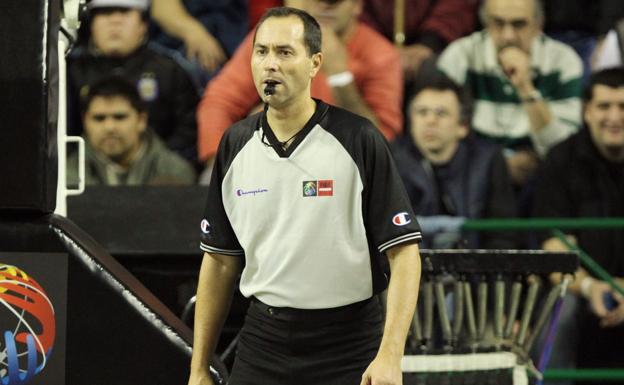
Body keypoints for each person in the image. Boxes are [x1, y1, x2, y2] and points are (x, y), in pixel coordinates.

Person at [188, 7, 422, 385]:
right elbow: (218, 262)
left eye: (284, 52)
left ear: (315, 63)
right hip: (264, 338)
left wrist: (390, 356)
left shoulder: (358, 139)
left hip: (349, 341)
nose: (270, 64)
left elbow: (405, 255)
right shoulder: (234, 144)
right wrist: (199, 368)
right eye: (261, 52)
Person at [196, 0, 403, 174]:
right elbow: (220, 101)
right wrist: (221, 162)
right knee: (210, 181)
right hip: (267, 163)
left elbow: (381, 140)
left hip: (342, 170)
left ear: (357, 5)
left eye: (335, 1)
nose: (325, 6)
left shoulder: (381, 55)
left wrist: (340, 77)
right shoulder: (272, 39)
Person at [533, 67, 624, 384]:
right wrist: (591, 286)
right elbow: (553, 245)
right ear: (586, 111)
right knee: (562, 307)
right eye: (604, 106)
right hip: (581, 287)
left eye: (623, 107)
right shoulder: (561, 161)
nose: (614, 116)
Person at [437, 0, 583, 186]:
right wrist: (494, 164)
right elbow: (441, 134)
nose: (508, 36)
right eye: (498, 23)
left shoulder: (563, 61)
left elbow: (564, 150)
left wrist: (525, 87)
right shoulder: (459, 56)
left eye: (519, 24)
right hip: (471, 173)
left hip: (539, 173)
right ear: (485, 23)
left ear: (539, 25)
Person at [392, 75, 517, 249]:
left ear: (463, 126)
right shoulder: (392, 159)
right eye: (422, 112)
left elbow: (503, 234)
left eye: (441, 113)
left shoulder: (487, 160)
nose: (430, 121)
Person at [67, 0, 200, 163]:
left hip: (158, 175)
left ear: (143, 25)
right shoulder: (70, 71)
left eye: (124, 12)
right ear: (91, 24)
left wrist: (155, 163)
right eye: (106, 12)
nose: (115, 21)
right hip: (85, 171)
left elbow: (188, 130)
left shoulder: (170, 71)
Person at [67, 76, 196, 186]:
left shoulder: (175, 172)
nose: (109, 127)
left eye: (120, 117)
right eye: (99, 118)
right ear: (84, 122)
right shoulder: (66, 176)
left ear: (141, 120)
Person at [360, 0, 478, 82]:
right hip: (373, 49)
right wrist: (379, 49)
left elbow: (455, 7)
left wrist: (429, 43)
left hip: (435, 47)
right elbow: (358, 10)